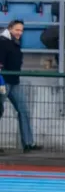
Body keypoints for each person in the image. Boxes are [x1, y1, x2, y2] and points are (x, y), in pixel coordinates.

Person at [0, 18, 34, 151]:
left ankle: (28, 143)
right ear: (10, 29)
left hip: (14, 82)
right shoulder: (2, 42)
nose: (19, 32)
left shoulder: (14, 42)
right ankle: (28, 142)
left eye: (21, 30)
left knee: (24, 110)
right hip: (3, 82)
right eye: (17, 30)